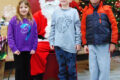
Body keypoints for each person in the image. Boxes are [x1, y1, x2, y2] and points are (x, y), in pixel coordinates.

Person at [81, 0, 118, 80]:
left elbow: (114, 26)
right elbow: (83, 29)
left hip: (104, 44)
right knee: (93, 68)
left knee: (104, 68)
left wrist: (113, 42)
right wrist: (85, 44)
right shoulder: (86, 11)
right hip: (91, 44)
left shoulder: (107, 9)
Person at [49, 0, 81, 79]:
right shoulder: (56, 12)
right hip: (58, 46)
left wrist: (78, 42)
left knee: (71, 70)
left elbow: (77, 28)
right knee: (62, 69)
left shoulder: (74, 12)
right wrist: (51, 41)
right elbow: (52, 27)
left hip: (71, 46)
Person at [7, 0, 38, 80]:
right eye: (21, 7)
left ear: (29, 8)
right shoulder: (14, 20)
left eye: (25, 7)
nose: (23, 9)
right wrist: (14, 48)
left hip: (29, 50)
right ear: (18, 9)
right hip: (18, 51)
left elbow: (35, 35)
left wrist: (34, 48)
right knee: (19, 70)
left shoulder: (32, 20)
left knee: (27, 70)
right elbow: (10, 36)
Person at [30, 0, 60, 80]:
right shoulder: (37, 15)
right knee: (35, 50)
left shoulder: (61, 14)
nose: (50, 4)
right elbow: (32, 32)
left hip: (59, 41)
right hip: (43, 42)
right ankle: (37, 76)